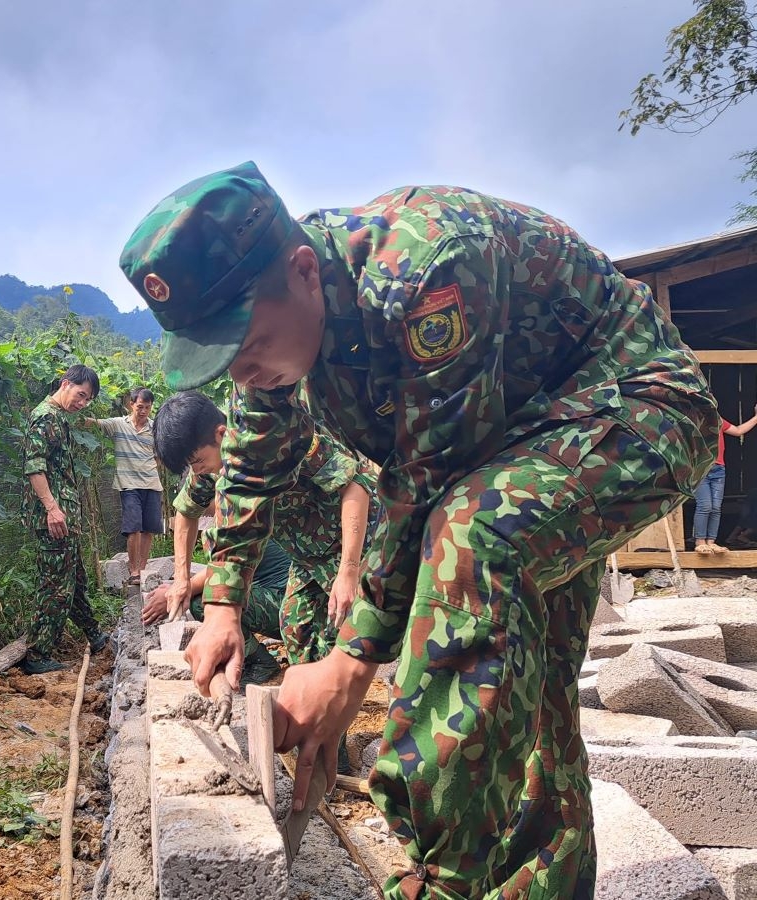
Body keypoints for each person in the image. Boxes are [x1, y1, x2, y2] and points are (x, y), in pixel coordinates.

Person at [119, 162, 717, 898]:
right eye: (222, 363)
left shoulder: (426, 268)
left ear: (304, 271)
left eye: (247, 346)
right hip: (517, 450)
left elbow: (427, 481)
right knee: (524, 698)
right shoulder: (269, 357)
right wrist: (222, 605)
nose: (243, 373)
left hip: (634, 407)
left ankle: (441, 880)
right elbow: (247, 464)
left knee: (472, 538)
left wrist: (348, 664)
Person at [154, 389, 378, 667]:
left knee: (377, 621)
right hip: (308, 557)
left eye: (197, 461)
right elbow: (185, 511)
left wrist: (349, 571)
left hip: (361, 543)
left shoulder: (283, 440)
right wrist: (181, 579)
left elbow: (355, 485)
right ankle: (315, 694)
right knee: (296, 628)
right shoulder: (211, 469)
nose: (197, 471)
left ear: (222, 434)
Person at [20, 364, 110, 675]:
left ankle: (94, 635)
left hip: (64, 517)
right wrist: (51, 508)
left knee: (75, 577)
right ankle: (37, 653)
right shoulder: (45, 416)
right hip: (55, 517)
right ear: (65, 384)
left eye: (88, 400)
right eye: (81, 395)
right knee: (55, 584)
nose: (82, 403)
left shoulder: (59, 417)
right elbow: (34, 466)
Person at [141, 514, 290, 685]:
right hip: (288, 608)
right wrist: (177, 586)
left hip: (287, 611)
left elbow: (222, 574)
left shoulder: (240, 519)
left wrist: (176, 592)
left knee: (203, 601)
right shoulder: (249, 512)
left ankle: (260, 664)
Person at [85, 387, 164, 584]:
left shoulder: (155, 428)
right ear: (131, 404)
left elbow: (161, 453)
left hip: (152, 484)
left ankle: (143, 570)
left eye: (147, 407)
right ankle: (134, 570)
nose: (143, 411)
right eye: (139, 406)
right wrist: (75, 414)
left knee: (149, 529)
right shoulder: (119, 424)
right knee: (133, 527)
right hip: (128, 485)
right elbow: (96, 424)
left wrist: (155, 464)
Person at [693, 402, 757, 554]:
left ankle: (711, 542)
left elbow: (738, 430)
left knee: (716, 508)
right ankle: (700, 541)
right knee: (705, 506)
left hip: (718, 469)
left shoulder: (719, 421)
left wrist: (756, 417)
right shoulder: (692, 423)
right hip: (701, 469)